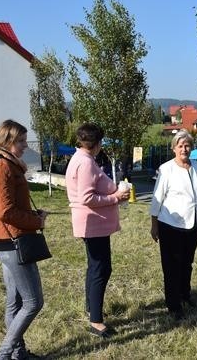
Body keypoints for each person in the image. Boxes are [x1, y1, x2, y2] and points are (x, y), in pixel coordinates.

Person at [0, 120, 47, 360]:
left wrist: (32, 215)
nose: (25, 146)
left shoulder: (9, 164)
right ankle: (4, 354)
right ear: (7, 141)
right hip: (11, 241)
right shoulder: (1, 167)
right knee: (33, 302)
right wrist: (36, 223)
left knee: (15, 302)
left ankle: (18, 354)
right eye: (20, 141)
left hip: (8, 239)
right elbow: (5, 211)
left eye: (24, 141)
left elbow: (11, 206)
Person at [65, 123, 130, 339]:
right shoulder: (85, 163)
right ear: (98, 142)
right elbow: (87, 197)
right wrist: (116, 197)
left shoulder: (82, 159)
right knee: (101, 269)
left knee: (95, 267)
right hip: (93, 224)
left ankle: (91, 307)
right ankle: (96, 320)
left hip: (93, 224)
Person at [150, 129, 197, 321]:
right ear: (173, 148)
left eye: (187, 145)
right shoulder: (166, 169)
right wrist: (154, 225)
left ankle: (185, 294)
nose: (184, 149)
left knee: (187, 263)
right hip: (171, 225)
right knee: (172, 266)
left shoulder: (196, 167)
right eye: (180, 146)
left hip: (193, 224)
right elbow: (157, 199)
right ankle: (173, 305)